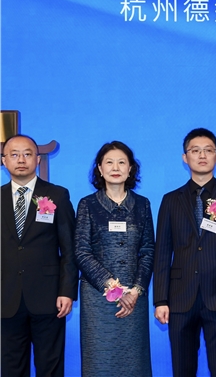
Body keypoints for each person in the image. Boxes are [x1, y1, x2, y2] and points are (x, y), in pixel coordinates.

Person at [153, 128, 216, 377]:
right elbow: (162, 253)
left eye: (208, 150)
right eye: (195, 150)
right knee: (182, 369)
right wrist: (161, 300)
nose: (202, 155)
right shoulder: (170, 200)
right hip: (179, 298)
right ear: (185, 157)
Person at [74, 141, 155, 376]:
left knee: (133, 363)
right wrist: (112, 286)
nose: (115, 167)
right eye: (109, 162)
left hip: (134, 298)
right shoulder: (88, 204)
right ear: (100, 169)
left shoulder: (142, 205)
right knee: (100, 363)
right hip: (98, 298)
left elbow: (148, 250)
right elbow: (81, 251)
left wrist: (136, 290)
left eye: (122, 162)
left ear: (130, 169)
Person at [1, 134, 77, 377]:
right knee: (11, 368)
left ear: (38, 159)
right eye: (14, 154)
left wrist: (67, 291)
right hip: (6, 297)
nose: (21, 160)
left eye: (27, 154)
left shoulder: (57, 195)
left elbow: (69, 248)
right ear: (4, 161)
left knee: (50, 367)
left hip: (49, 297)